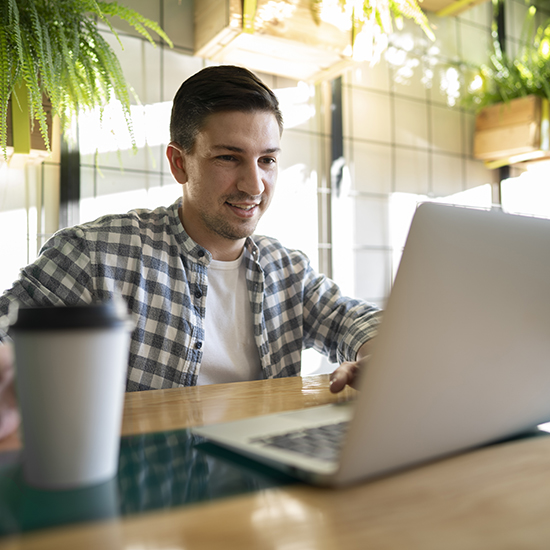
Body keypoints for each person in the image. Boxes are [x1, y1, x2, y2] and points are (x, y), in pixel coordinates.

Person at [0, 65, 381, 440]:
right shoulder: (95, 253)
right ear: (180, 163)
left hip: (263, 485)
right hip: (142, 485)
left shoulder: (288, 270)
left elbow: (358, 321)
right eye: (229, 157)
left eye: (267, 160)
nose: (254, 185)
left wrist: (377, 357)